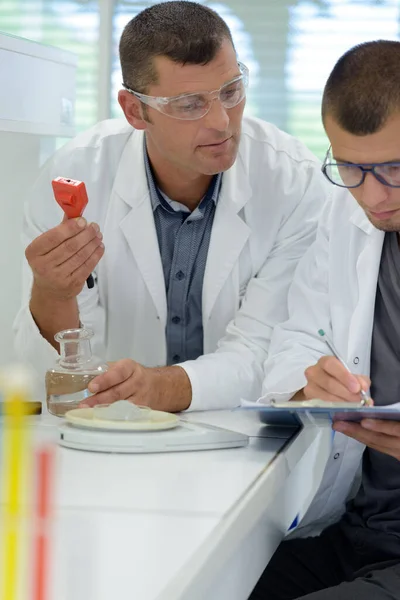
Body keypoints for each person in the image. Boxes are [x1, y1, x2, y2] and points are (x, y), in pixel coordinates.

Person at [14, 1, 328, 412]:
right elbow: (58, 370)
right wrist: (53, 294)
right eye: (189, 104)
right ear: (134, 110)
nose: (221, 121)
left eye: (231, 91)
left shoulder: (293, 181)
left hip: (243, 438)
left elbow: (268, 352)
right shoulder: (74, 176)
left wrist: (161, 388)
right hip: (112, 433)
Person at [250, 40, 400, 600]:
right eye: (350, 168)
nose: (373, 195)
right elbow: (295, 336)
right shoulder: (343, 214)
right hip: (357, 528)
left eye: (393, 167)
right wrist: (310, 380)